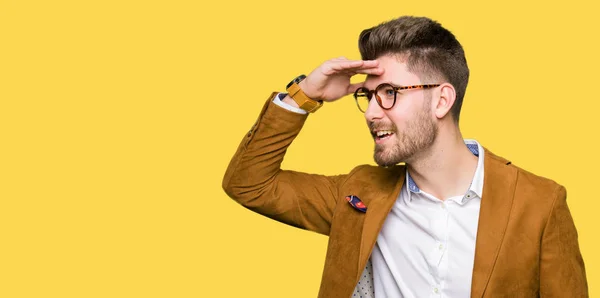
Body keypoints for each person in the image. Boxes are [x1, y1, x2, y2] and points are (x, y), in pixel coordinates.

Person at [222, 16, 588, 297]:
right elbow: (249, 184)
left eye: (390, 92)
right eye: (368, 95)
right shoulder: (358, 195)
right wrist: (305, 95)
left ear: (442, 100)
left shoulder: (540, 203)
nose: (371, 112)